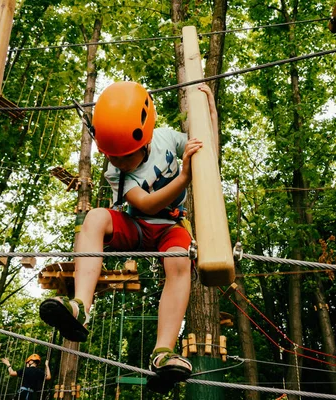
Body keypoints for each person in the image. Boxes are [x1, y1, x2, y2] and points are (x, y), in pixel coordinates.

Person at [39, 81, 217, 392]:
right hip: (137, 226)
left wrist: (209, 110)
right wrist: (184, 176)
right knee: (94, 217)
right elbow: (147, 203)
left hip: (171, 227)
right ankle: (80, 307)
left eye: (124, 156)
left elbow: (204, 144)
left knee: (179, 261)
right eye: (112, 156)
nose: (118, 162)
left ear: (146, 137)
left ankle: (163, 352)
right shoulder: (114, 171)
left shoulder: (164, 138)